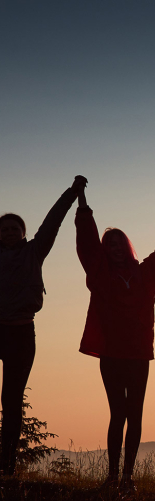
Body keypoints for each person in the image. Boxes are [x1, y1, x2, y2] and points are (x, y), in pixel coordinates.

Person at [75, 185, 155, 493]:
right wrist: (82, 204)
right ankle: (111, 476)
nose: (116, 248)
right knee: (117, 413)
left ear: (128, 246)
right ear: (105, 249)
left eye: (120, 243)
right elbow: (86, 243)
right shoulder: (99, 276)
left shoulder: (145, 274)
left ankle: (127, 478)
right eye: (110, 244)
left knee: (134, 414)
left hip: (138, 355)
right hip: (110, 353)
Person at [0, 176, 86, 476]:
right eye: (5, 229)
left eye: (15, 229)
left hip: (22, 333)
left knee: (11, 400)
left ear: (23, 233)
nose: (10, 233)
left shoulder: (34, 252)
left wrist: (71, 194)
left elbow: (53, 222)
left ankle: (7, 467)